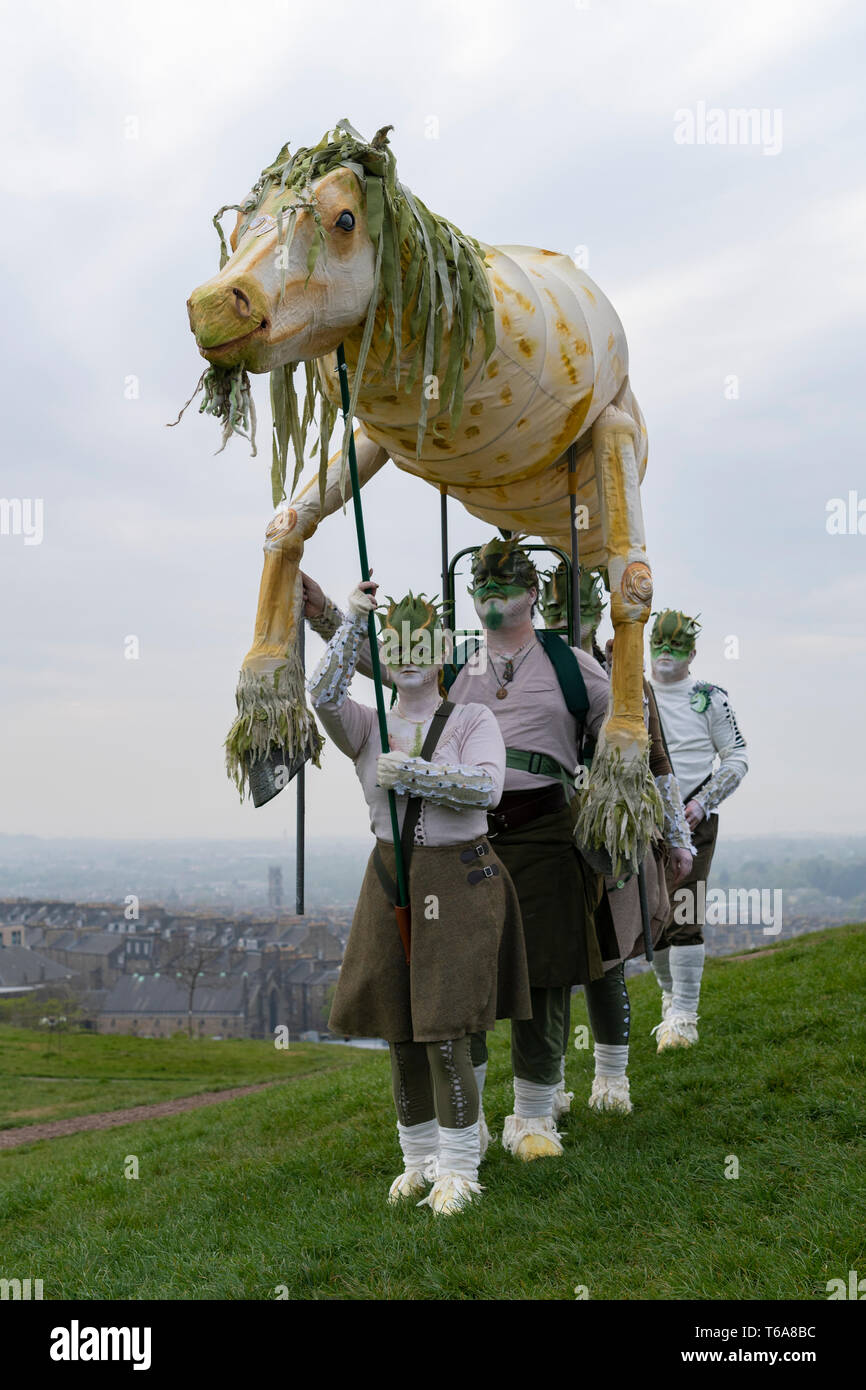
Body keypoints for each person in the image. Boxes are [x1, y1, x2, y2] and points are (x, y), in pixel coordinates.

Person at [307, 580, 531, 1213]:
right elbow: (321, 693)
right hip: (389, 877)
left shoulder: (472, 719)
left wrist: (416, 774)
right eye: (395, 644)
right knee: (400, 1028)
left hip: (458, 879)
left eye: (420, 644)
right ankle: (419, 1158)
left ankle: (461, 1166)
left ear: (441, 654)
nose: (407, 654)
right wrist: (351, 619)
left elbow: (487, 791)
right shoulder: (366, 724)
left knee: (445, 1026)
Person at [444, 538, 624, 1157]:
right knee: (467, 977)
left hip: (548, 829)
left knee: (544, 972)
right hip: (466, 834)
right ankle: (466, 1120)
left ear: (534, 593)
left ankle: (535, 1116)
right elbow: (385, 667)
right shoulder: (455, 664)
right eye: (482, 588)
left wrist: (620, 771)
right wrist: (331, 614)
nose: (493, 599)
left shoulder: (570, 662)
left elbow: (621, 717)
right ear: (470, 599)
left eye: (506, 586)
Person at [538, 565, 693, 1112]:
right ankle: (547, 1084)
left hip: (612, 839)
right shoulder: (525, 669)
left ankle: (612, 1080)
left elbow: (658, 763)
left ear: (597, 613)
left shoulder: (623, 673)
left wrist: (677, 838)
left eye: (577, 613)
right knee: (549, 962)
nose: (566, 624)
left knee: (607, 958)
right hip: (545, 833)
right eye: (556, 613)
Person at [647, 609, 749, 1050]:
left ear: (691, 652)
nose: (666, 653)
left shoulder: (710, 698)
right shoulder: (632, 692)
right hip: (641, 820)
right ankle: (670, 998)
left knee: (684, 913)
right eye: (659, 644)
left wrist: (703, 803)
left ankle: (685, 1016)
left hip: (693, 821)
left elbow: (737, 757)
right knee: (653, 921)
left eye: (676, 646)